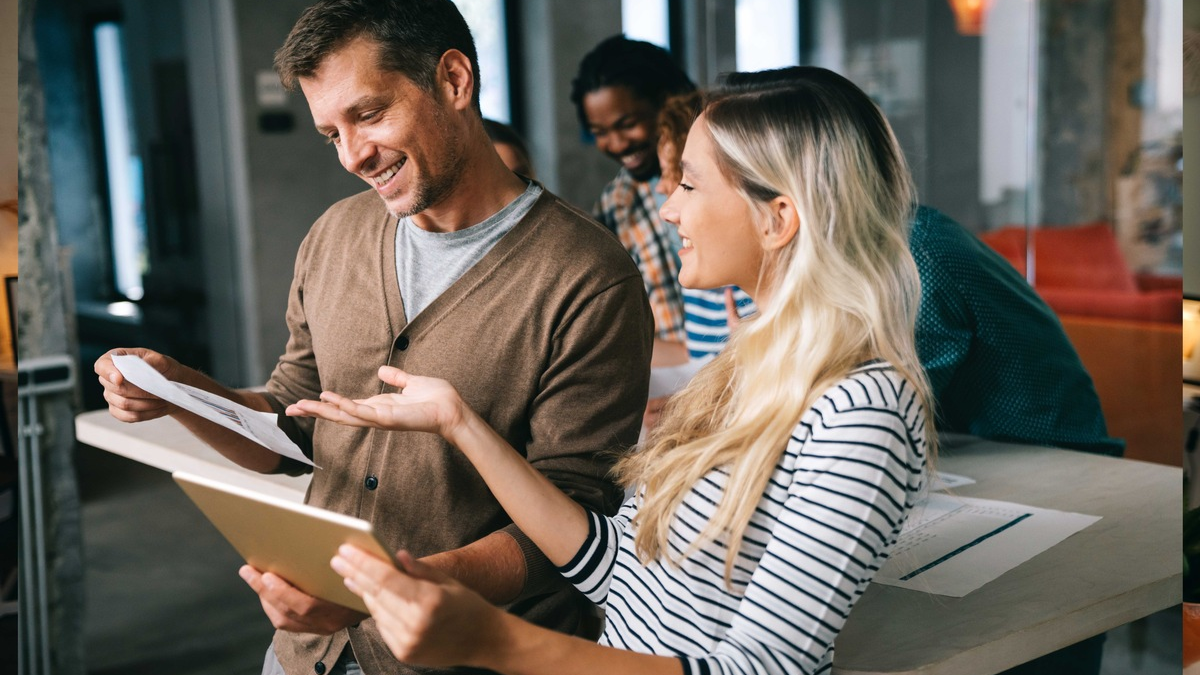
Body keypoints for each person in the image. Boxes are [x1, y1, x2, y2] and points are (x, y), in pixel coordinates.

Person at [293, 67, 935, 675]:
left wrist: (493, 640)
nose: (669, 211)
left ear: (778, 219)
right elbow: (614, 567)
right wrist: (460, 422)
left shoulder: (861, 408)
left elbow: (764, 667)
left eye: (689, 184)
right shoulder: (751, 366)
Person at [93, 1, 653, 674]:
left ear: (453, 81)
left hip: (461, 654)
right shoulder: (333, 236)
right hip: (308, 652)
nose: (354, 156)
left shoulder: (588, 276)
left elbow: (572, 525)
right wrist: (178, 391)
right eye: (331, 133)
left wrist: (376, 591)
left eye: (368, 114)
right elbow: (292, 422)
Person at [720, 67, 1121, 675]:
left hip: (1052, 471)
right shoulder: (852, 252)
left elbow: (864, 404)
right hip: (983, 465)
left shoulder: (911, 253)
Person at [570, 35, 696, 363]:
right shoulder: (616, 206)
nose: (616, 143)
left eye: (627, 124)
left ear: (667, 103)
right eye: (600, 132)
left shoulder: (727, 176)